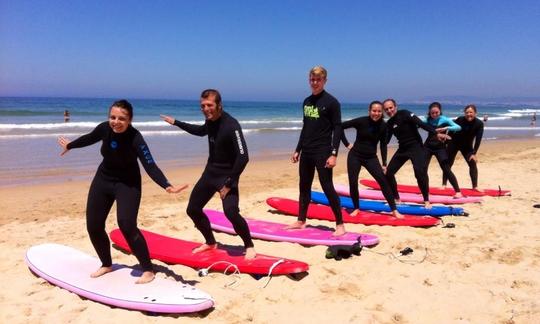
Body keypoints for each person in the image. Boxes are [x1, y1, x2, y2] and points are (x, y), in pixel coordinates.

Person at [57, 99, 187, 284]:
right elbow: (89, 138)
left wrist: (167, 185)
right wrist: (70, 146)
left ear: (130, 120)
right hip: (103, 179)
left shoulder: (136, 138)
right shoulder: (104, 129)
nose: (116, 122)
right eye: (113, 117)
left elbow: (150, 165)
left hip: (128, 183)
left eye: (121, 118)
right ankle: (106, 264)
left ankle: (148, 269)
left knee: (126, 225)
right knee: (93, 225)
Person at [160, 89, 256, 259]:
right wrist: (176, 122)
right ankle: (210, 242)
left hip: (226, 177)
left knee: (231, 212)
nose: (205, 109)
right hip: (210, 173)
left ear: (219, 105)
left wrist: (228, 184)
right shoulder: (210, 122)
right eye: (203, 106)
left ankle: (249, 245)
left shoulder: (231, 125)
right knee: (193, 209)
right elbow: (199, 131)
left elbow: (243, 157)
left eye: (209, 105)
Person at [288, 66, 346, 236]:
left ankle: (340, 224)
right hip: (307, 151)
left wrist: (334, 153)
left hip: (323, 151)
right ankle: (301, 220)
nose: (314, 83)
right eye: (312, 80)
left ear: (324, 81)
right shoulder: (306, 101)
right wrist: (297, 149)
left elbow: (337, 128)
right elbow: (306, 127)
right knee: (303, 186)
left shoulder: (332, 102)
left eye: (318, 80)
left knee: (327, 186)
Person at [382, 99, 449, 208]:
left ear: (395, 107)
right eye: (386, 109)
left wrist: (435, 133)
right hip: (402, 149)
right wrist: (383, 161)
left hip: (416, 147)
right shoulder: (389, 123)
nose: (389, 110)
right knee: (389, 173)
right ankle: (397, 198)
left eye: (391, 107)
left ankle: (426, 200)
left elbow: (421, 124)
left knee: (419, 173)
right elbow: (385, 142)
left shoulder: (405, 114)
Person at [341, 100, 402, 218]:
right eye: (374, 111)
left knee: (383, 182)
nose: (377, 113)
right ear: (369, 111)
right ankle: (356, 208)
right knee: (353, 182)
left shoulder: (384, 126)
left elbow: (383, 145)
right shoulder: (361, 121)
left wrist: (384, 164)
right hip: (355, 156)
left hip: (371, 158)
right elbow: (340, 127)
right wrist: (346, 144)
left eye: (379, 111)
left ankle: (394, 210)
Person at [424, 102, 463, 198]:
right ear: (429, 112)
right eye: (432, 113)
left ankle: (458, 192)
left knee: (446, 169)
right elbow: (417, 122)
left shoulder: (444, 119)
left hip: (440, 148)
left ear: (440, 111)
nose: (434, 115)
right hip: (428, 146)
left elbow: (458, 127)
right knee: (423, 169)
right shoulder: (427, 119)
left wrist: (447, 128)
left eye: (436, 112)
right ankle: (425, 191)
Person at [443, 104, 484, 191]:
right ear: (464, 113)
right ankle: (444, 184)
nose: (469, 114)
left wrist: (474, 153)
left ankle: (475, 187)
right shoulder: (460, 119)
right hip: (454, 143)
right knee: (448, 164)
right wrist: (446, 141)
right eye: (467, 112)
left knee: (472, 163)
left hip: (467, 147)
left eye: (471, 112)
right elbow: (451, 129)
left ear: (475, 113)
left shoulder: (479, 124)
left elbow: (478, 139)